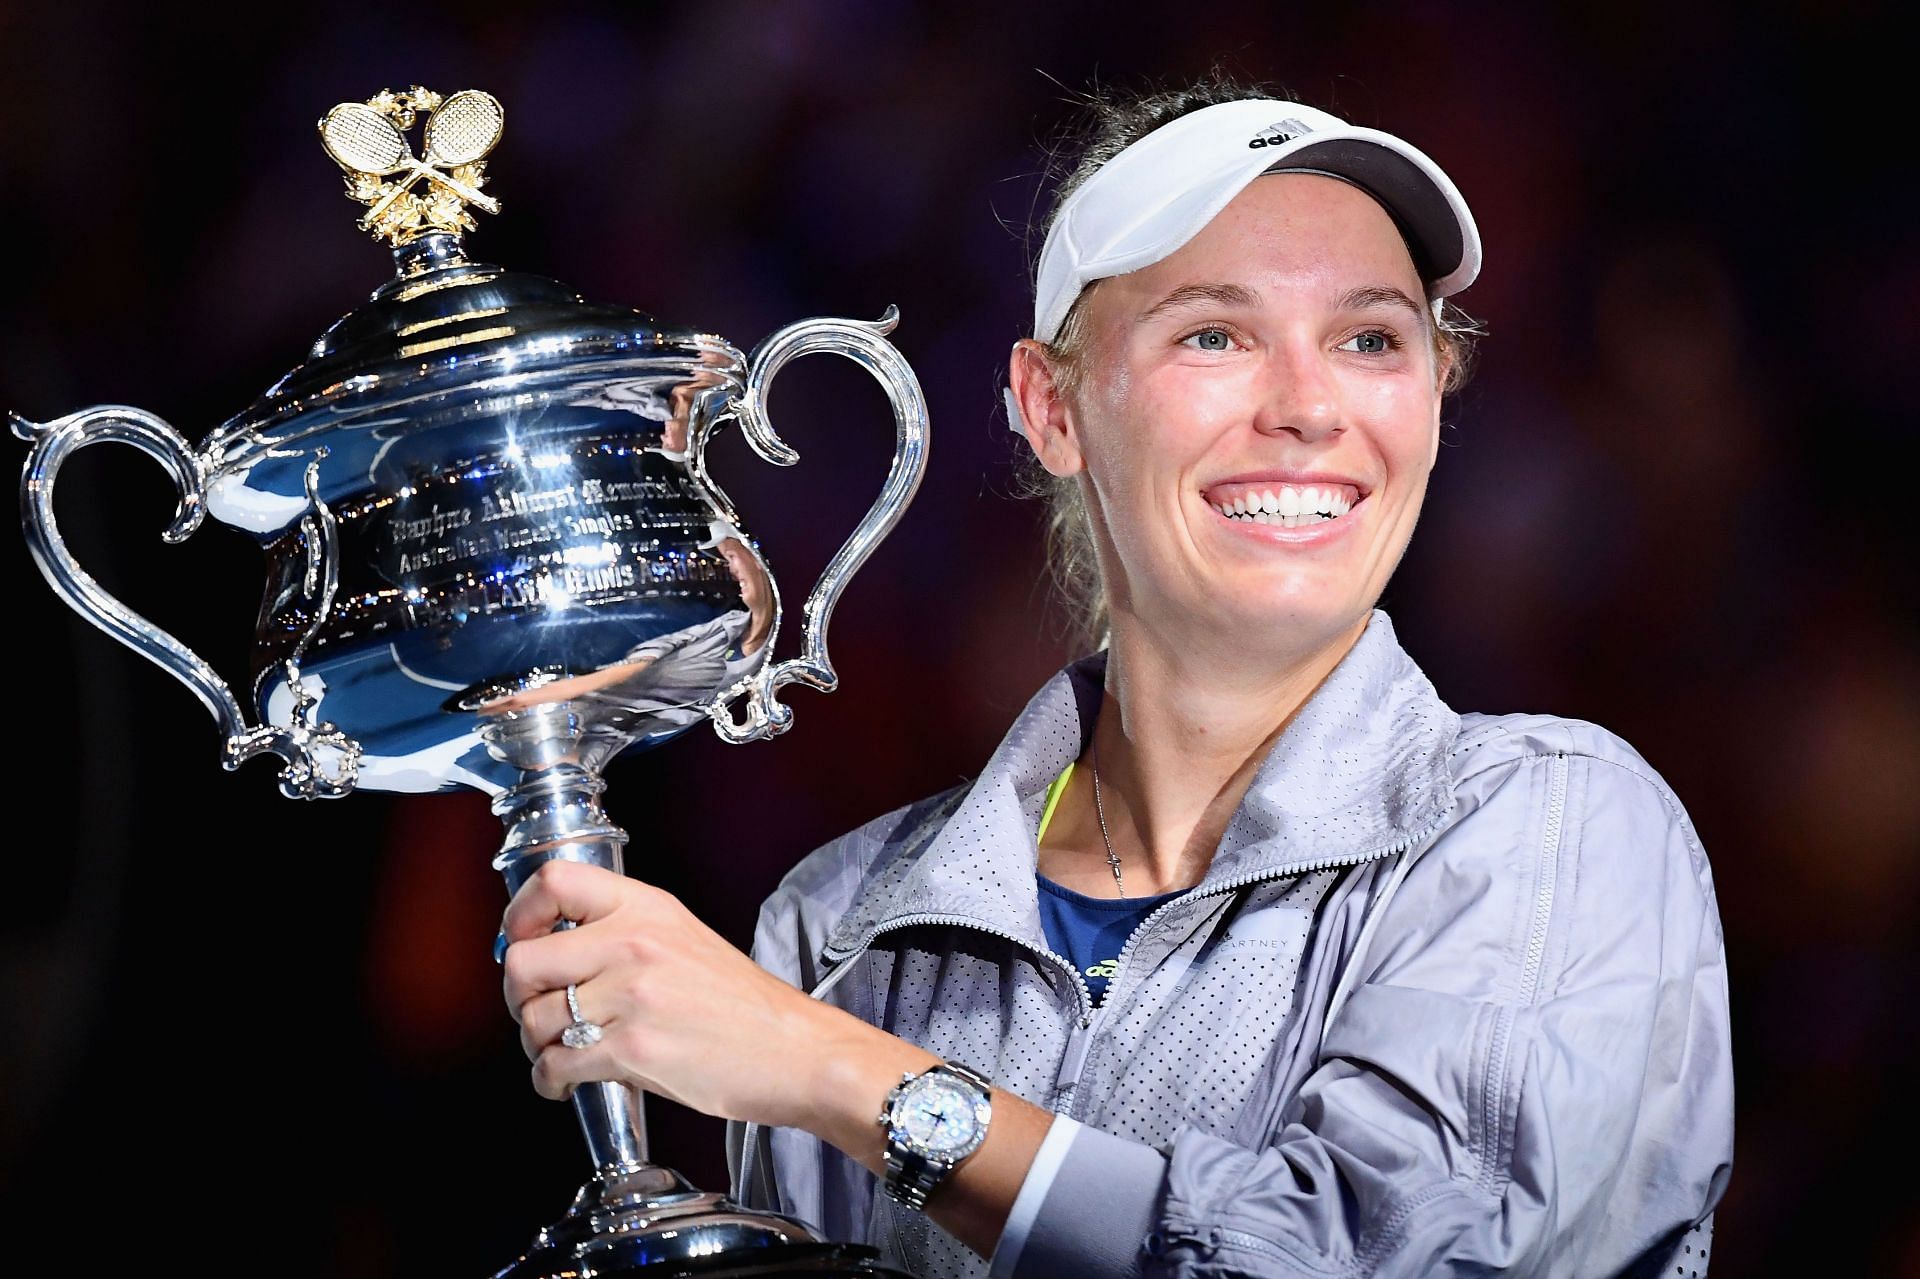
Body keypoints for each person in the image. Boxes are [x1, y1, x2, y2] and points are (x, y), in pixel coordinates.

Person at [499, 77, 1734, 1277]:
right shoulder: (838, 928)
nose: (1310, 406)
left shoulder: (1555, 824)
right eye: (1215, 333)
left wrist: (838, 1074)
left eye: (1370, 338)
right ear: (1052, 406)